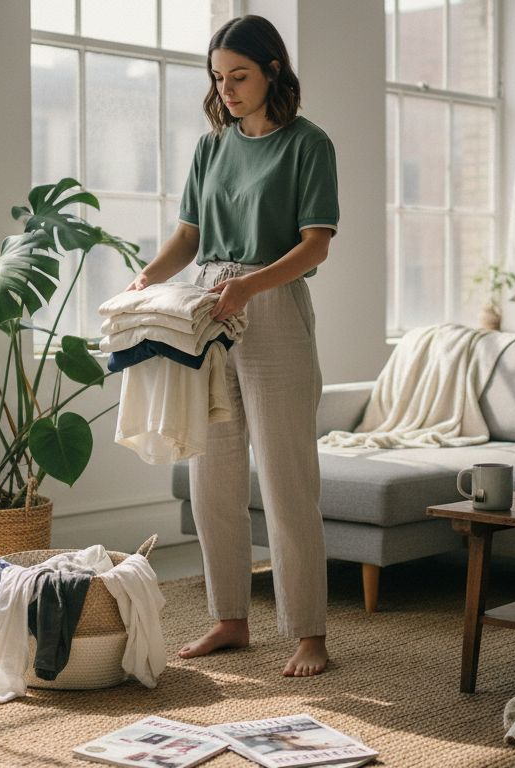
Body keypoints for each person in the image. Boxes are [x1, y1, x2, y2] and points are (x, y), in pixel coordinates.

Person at [124, 15, 338, 677]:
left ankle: (308, 632)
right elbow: (189, 237)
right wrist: (148, 277)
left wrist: (250, 286)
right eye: (218, 77)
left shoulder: (309, 144)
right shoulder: (211, 146)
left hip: (271, 306)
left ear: (273, 70)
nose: (227, 89)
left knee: (285, 478)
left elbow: (315, 244)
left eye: (239, 75)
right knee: (211, 474)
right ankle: (230, 620)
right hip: (206, 307)